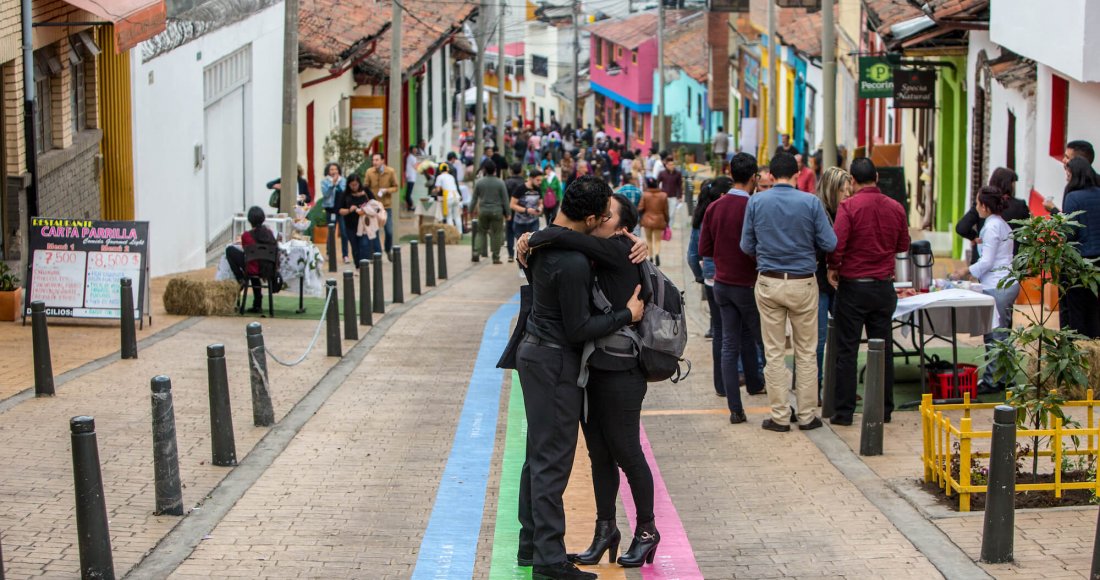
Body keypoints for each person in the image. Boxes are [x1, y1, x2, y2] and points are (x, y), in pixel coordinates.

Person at [515, 176, 644, 579]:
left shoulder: (543, 245)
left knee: (538, 455)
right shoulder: (567, 260)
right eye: (605, 216)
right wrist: (627, 315)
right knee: (553, 461)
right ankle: (550, 562)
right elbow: (578, 328)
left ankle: (530, 546)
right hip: (554, 361)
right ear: (590, 218)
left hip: (535, 354)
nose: (609, 223)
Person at [741, 153, 836, 431]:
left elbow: (746, 245)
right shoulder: (811, 203)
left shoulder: (756, 202)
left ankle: (780, 416)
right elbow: (829, 242)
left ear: (769, 175)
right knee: (806, 352)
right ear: (797, 175)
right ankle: (807, 415)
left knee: (773, 351)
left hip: (769, 281)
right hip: (803, 282)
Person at [826, 158, 909, 426]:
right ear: (877, 177)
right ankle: (883, 409)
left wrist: (833, 267)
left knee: (847, 351)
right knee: (882, 349)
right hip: (883, 285)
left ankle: (844, 412)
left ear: (852, 180)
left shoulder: (848, 207)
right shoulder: (895, 207)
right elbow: (903, 244)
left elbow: (837, 246)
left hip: (853, 287)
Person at [701, 153, 766, 424]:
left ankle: (736, 408)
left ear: (730, 173)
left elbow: (704, 249)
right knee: (763, 341)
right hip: (748, 284)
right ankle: (773, 397)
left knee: (729, 343)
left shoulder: (714, 207)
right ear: (754, 177)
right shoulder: (754, 207)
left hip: (722, 284)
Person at [951, 186, 1020, 393]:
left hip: (997, 284)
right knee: (1001, 334)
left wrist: (964, 271)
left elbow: (987, 261)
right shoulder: (1000, 224)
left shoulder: (991, 227)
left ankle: (993, 380)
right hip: (1005, 282)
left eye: (978, 203)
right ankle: (1004, 377)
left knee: (995, 335)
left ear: (985, 206)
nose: (976, 206)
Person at [814, 167, 852, 391]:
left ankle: (840, 386)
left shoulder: (846, 212)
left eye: (849, 190)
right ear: (831, 190)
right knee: (818, 340)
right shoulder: (818, 211)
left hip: (840, 282)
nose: (847, 194)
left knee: (843, 337)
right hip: (819, 282)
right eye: (843, 190)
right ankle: (815, 387)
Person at [688, 177, 725, 378]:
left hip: (710, 276)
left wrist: (700, 276)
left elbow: (692, 255)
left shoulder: (700, 216)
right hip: (730, 277)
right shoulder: (724, 212)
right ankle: (737, 373)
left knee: (718, 327)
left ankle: (720, 379)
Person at [1060, 157, 1100, 338]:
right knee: (1095, 311)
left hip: (1079, 263)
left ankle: (1078, 351)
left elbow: (1068, 233)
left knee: (1076, 312)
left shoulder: (1072, 198)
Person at [956, 168, 1030, 261]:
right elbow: (1029, 230)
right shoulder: (1020, 206)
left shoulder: (983, 204)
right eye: (1013, 183)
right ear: (1008, 185)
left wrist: (974, 237)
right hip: (1011, 260)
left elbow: (962, 227)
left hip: (983, 257)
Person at [225, 206, 277, 313]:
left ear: (249, 220)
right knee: (255, 261)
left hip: (253, 268)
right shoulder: (270, 233)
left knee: (230, 250)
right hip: (268, 268)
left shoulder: (246, 236)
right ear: (263, 218)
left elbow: (246, 251)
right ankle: (257, 303)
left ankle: (240, 279)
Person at [336, 174, 384, 263]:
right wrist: (350, 210)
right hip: (351, 225)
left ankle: (364, 267)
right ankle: (358, 267)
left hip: (366, 225)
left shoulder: (365, 191)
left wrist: (366, 209)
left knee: (364, 245)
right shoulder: (345, 194)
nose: (354, 187)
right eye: (352, 185)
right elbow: (339, 210)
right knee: (355, 248)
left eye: (356, 184)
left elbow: (375, 204)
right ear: (348, 185)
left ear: (359, 183)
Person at [471, 162, 511, 264]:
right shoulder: (500, 183)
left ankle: (476, 252)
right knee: (497, 233)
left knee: (481, 232)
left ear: (484, 170)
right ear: (494, 170)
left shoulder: (479, 182)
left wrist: (471, 210)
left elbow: (474, 198)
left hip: (483, 211)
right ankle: (496, 257)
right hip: (497, 211)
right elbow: (505, 200)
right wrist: (508, 213)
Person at [319, 163, 350, 263]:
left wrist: (338, 184)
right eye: (331, 169)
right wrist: (332, 184)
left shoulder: (343, 180)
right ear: (328, 171)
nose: (333, 171)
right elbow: (325, 194)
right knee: (331, 232)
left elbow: (346, 192)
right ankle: (329, 253)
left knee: (344, 233)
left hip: (341, 210)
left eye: (335, 169)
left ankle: (345, 255)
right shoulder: (325, 181)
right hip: (330, 210)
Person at [638, 177, 669, 267]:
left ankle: (651, 257)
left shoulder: (645, 194)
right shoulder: (663, 195)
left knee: (649, 240)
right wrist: (667, 220)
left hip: (647, 219)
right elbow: (666, 210)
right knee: (657, 240)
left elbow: (640, 208)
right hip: (659, 219)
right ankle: (657, 254)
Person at [511, 169, 545, 240]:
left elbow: (541, 203)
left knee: (534, 245)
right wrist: (527, 210)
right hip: (520, 223)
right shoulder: (520, 189)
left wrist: (540, 208)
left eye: (541, 180)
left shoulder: (538, 189)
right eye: (538, 180)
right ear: (531, 179)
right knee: (522, 248)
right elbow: (512, 205)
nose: (540, 182)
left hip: (534, 222)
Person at [504, 163, 527, 262]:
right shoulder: (524, 183)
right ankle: (521, 254)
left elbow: (504, 198)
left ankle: (510, 254)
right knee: (521, 234)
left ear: (511, 171)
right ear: (521, 170)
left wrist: (505, 211)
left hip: (510, 211)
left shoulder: (506, 182)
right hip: (522, 212)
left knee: (509, 231)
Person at [433, 163, 463, 232]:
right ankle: (460, 233)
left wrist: (434, 190)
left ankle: (452, 233)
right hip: (456, 196)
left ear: (440, 170)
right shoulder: (451, 176)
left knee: (449, 217)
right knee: (457, 216)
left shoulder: (439, 177)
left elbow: (438, 189)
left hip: (448, 197)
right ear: (447, 169)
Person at [658, 157, 683, 227]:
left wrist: (680, 197)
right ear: (666, 165)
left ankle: (669, 228)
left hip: (673, 196)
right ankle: (664, 227)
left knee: (672, 214)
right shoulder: (662, 173)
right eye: (669, 164)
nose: (671, 166)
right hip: (663, 196)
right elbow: (657, 183)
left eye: (672, 164)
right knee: (663, 213)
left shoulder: (678, 174)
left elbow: (679, 186)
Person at [405, 145, 420, 212]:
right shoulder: (412, 158)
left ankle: (409, 206)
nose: (416, 151)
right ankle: (410, 205)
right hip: (411, 177)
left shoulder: (410, 157)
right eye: (414, 150)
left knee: (409, 192)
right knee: (409, 193)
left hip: (410, 176)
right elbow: (416, 167)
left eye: (416, 149)